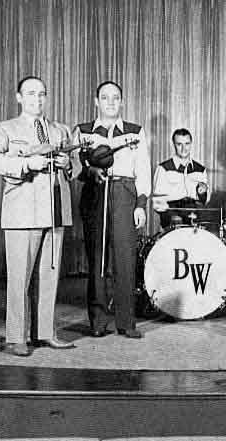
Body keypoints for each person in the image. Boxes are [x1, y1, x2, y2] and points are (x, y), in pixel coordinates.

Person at [0, 76, 78, 356]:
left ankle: (45, 332)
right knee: (18, 278)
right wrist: (26, 163)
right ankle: (15, 336)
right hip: (22, 213)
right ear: (19, 97)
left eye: (42, 94)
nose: (38, 99)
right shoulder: (4, 129)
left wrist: (67, 164)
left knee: (49, 277)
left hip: (55, 211)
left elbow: (77, 169)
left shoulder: (60, 130)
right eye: (31, 93)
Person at [75, 80, 152, 339]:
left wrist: (141, 204)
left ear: (122, 101)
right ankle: (97, 321)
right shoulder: (84, 131)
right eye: (105, 98)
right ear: (96, 102)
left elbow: (143, 169)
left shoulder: (134, 131)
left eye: (115, 97)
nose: (110, 102)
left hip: (125, 194)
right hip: (95, 193)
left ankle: (126, 322)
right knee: (97, 259)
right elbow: (75, 167)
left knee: (125, 260)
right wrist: (90, 170)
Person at [151, 128, 209, 228]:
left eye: (187, 144)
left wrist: (203, 192)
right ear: (174, 145)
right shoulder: (163, 168)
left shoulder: (200, 169)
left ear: (191, 144)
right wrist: (171, 215)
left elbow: (204, 201)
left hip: (194, 218)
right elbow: (157, 203)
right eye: (179, 144)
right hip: (172, 220)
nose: (183, 148)